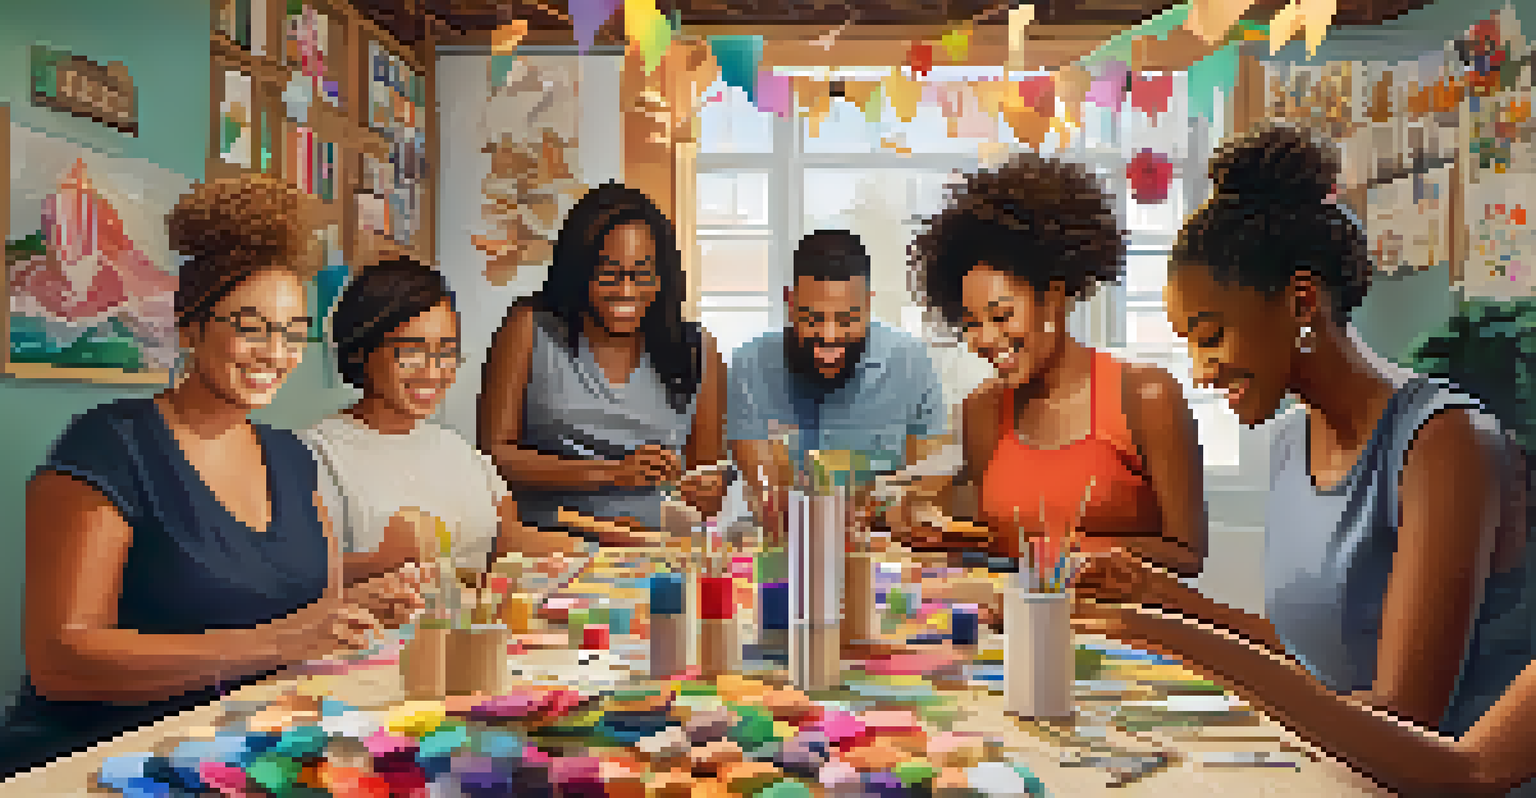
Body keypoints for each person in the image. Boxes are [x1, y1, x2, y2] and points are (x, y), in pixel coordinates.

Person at [1074, 123, 1533, 746]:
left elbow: (1404, 714)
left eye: (1210, 337)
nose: (1202, 373)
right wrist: (1167, 600)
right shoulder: (1294, 440)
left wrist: (1171, 636)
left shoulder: (1446, 443)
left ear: (1300, 302)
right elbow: (1317, 656)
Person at [0, 176, 420, 779]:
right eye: (251, 327)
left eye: (294, 331)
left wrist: (358, 608)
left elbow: (312, 613)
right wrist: (285, 641)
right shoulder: (109, 446)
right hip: (98, 762)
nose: (277, 353)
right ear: (192, 326)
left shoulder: (292, 458)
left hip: (239, 751)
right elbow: (61, 658)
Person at [905, 153, 1207, 576]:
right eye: (971, 323)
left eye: (1002, 316)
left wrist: (1077, 553)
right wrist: (938, 531)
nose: (985, 340)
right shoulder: (981, 411)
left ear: (1055, 300)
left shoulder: (1145, 396)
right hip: (1013, 632)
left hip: (1122, 636)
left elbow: (1187, 555)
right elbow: (990, 546)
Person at [479, 181, 728, 542]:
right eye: (609, 273)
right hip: (550, 549)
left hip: (655, 551)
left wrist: (706, 491)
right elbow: (493, 457)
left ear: (662, 278)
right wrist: (613, 473)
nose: (626, 291)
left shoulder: (697, 350)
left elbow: (704, 489)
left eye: (642, 274)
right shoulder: (530, 329)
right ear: (580, 272)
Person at [301, 257, 580, 572]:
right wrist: (381, 562)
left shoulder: (457, 451)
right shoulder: (317, 455)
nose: (432, 371)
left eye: (446, 352)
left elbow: (505, 542)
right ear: (360, 350)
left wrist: (604, 554)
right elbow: (301, 580)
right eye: (411, 351)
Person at [727, 229, 948, 532]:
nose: (829, 337)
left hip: (880, 550)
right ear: (789, 303)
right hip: (788, 547)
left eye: (846, 320)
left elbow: (922, 489)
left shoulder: (912, 364)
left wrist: (901, 508)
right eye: (813, 319)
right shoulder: (749, 366)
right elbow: (770, 500)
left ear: (869, 305)